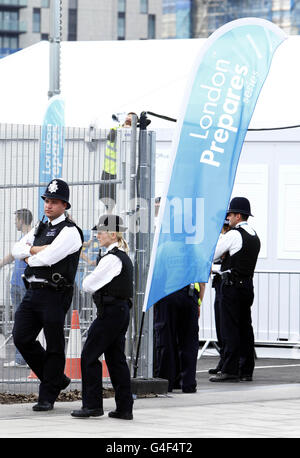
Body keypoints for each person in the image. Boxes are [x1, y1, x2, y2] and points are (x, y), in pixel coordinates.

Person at [12, 179, 84, 411]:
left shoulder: (71, 232)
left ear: (64, 205)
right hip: (32, 292)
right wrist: (33, 250)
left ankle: (47, 395)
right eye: (47, 201)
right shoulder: (40, 228)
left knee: (54, 344)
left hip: (55, 294)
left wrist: (29, 255)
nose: (48, 205)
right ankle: (56, 379)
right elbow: (16, 249)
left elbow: (47, 259)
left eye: (54, 202)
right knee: (21, 337)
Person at [71, 214, 134, 420]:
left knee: (89, 355)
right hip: (119, 311)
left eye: (101, 231)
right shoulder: (121, 255)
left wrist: (92, 276)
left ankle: (92, 405)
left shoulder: (112, 258)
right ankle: (124, 408)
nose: (97, 235)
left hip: (110, 313)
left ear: (113, 234)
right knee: (116, 359)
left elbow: (87, 284)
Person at [209, 197, 260, 383]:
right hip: (247, 286)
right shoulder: (253, 234)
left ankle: (230, 369)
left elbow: (212, 254)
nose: (228, 218)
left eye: (230, 214)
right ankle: (246, 369)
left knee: (229, 328)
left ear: (238, 216)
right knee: (245, 327)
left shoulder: (233, 234)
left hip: (231, 287)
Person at [154, 282, 205, 393]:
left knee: (165, 340)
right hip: (189, 295)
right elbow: (202, 282)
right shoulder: (195, 262)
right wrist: (198, 303)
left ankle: (165, 383)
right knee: (189, 342)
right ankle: (188, 383)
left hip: (167, 295)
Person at [0, 209, 33, 367]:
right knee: (20, 322)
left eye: (16, 219)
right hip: (16, 285)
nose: (14, 222)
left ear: (22, 220)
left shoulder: (33, 237)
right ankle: (22, 358)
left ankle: (24, 358)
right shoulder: (22, 239)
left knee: (24, 322)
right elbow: (12, 255)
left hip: (26, 285)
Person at [99, 112, 137, 212]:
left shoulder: (135, 134)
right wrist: (121, 127)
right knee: (106, 198)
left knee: (121, 199)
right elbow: (110, 137)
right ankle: (107, 217)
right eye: (128, 117)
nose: (129, 119)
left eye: (132, 119)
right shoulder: (116, 130)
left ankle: (114, 219)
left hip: (124, 174)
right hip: (109, 171)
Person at [208, 219, 231, 375]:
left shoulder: (229, 237)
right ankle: (223, 359)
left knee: (225, 326)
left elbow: (214, 254)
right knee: (220, 325)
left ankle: (226, 361)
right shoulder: (223, 238)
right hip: (219, 283)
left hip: (225, 284)